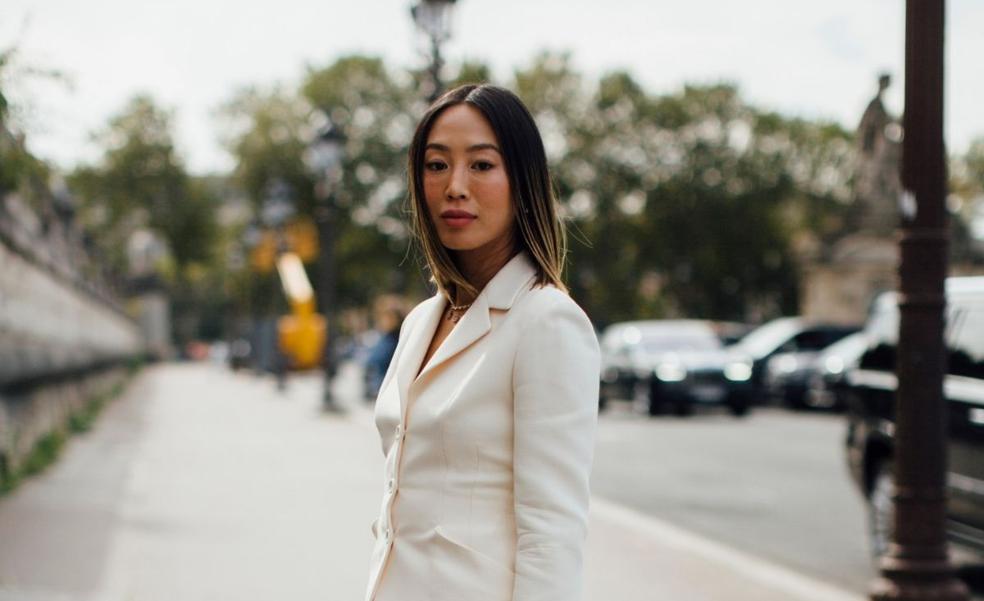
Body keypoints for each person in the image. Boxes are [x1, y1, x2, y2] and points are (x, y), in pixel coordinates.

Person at [364, 84, 600, 601]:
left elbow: (552, 534)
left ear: (522, 181)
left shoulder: (547, 323)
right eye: (436, 165)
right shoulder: (421, 321)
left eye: (482, 165)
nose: (455, 186)